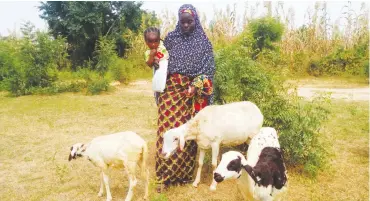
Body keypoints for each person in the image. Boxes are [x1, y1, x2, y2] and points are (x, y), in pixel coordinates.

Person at [154, 4, 215, 192]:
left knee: (187, 134)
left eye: (190, 21)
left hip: (190, 95)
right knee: (166, 131)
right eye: (183, 22)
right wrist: (156, 61)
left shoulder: (203, 43)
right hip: (170, 92)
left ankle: (184, 175)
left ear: (195, 21)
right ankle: (164, 176)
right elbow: (161, 58)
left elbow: (208, 71)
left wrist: (194, 86)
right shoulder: (171, 39)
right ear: (178, 21)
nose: (186, 25)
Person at [144, 27, 169, 105]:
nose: (153, 44)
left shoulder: (164, 46)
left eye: (156, 41)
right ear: (146, 42)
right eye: (150, 42)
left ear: (159, 39)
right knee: (158, 97)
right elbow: (149, 64)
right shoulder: (148, 52)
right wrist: (152, 55)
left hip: (169, 76)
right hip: (158, 77)